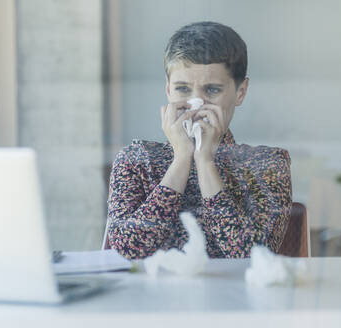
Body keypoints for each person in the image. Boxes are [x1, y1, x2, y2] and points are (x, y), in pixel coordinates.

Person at [104, 21, 292, 259]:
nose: (196, 103)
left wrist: (205, 162)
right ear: (168, 90)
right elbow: (128, 248)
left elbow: (251, 254)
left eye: (212, 90)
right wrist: (182, 159)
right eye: (183, 89)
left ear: (240, 92)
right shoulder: (137, 159)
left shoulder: (268, 164)